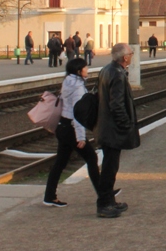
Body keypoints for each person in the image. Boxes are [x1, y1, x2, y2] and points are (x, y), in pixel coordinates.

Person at [43, 58, 101, 208]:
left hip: (62, 126)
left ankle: (49, 196)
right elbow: (78, 113)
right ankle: (104, 193)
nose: (87, 70)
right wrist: (81, 137)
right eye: (85, 67)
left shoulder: (67, 81)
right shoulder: (78, 88)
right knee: (91, 157)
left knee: (60, 163)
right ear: (79, 71)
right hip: (70, 128)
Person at [95, 43, 140, 218]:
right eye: (131, 52)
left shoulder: (107, 70)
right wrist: (126, 125)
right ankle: (104, 204)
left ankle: (109, 200)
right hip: (112, 129)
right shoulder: (117, 74)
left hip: (106, 126)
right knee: (109, 167)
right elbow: (117, 105)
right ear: (125, 57)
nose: (132, 55)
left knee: (110, 165)